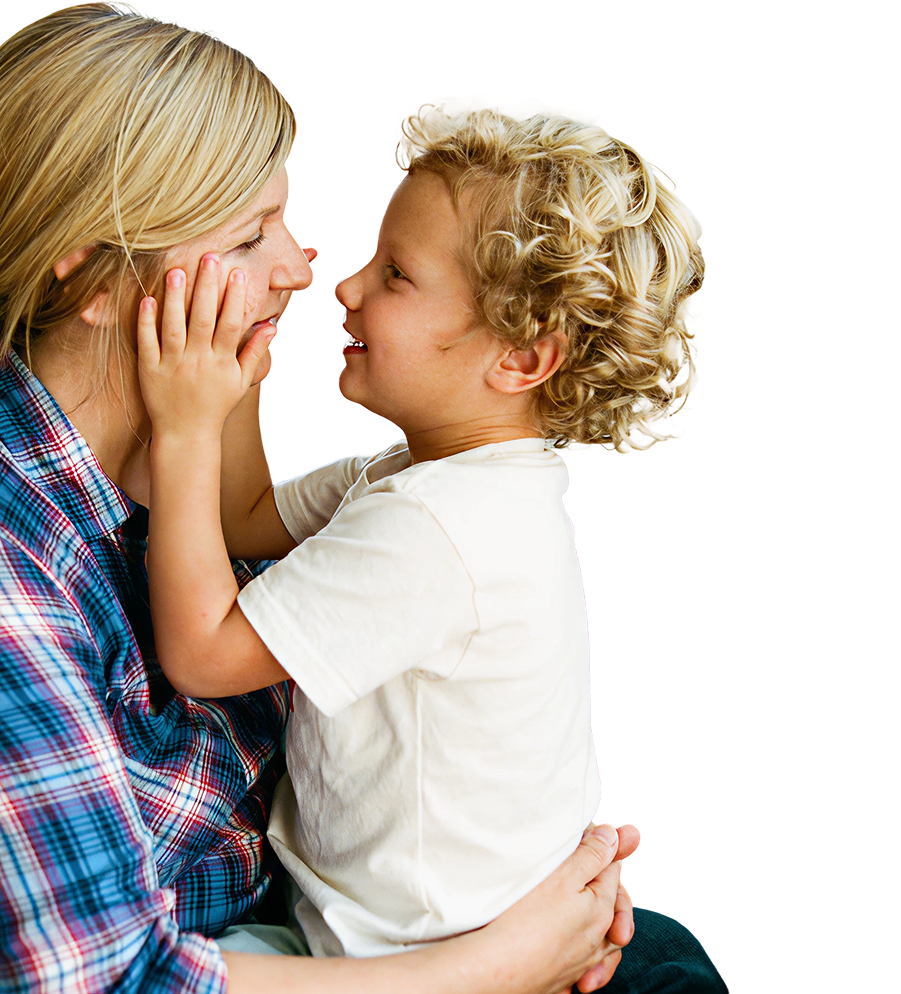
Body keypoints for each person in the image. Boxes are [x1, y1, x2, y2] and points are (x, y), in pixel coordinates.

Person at [0, 2, 699, 992]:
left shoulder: (239, 477)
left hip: (328, 937)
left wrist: (538, 875)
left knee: (659, 956)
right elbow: (116, 982)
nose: (305, 269)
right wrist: (505, 956)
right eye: (248, 238)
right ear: (99, 280)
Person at [134, 92, 725, 986]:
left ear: (520, 358)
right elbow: (241, 516)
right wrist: (236, 374)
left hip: (417, 961)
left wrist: (182, 429)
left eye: (395, 275)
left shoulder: (436, 529)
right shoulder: (419, 475)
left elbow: (203, 655)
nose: (346, 284)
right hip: (424, 928)